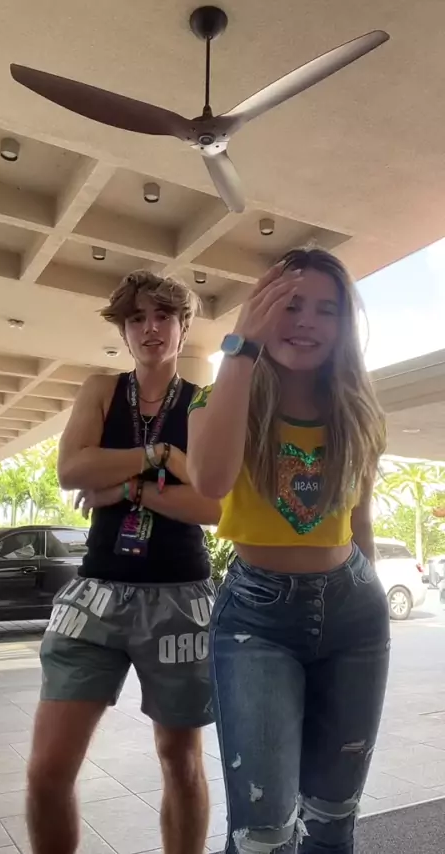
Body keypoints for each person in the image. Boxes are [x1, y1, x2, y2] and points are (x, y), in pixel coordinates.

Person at [187, 247, 390, 854]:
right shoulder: (221, 398)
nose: (306, 322)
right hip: (257, 620)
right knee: (263, 832)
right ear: (260, 309)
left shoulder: (356, 410)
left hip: (355, 613)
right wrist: (241, 348)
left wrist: (373, 595)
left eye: (327, 309)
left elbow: (359, 520)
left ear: (344, 324)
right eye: (290, 304)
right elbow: (211, 481)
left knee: (333, 818)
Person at [26, 271, 220, 854]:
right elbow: (71, 470)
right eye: (137, 318)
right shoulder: (101, 390)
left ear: (183, 327)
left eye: (163, 316)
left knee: (179, 759)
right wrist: (161, 457)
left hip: (180, 594)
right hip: (96, 592)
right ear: (124, 331)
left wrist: (127, 488)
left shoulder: (205, 402)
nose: (150, 328)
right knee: (47, 770)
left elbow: (213, 505)